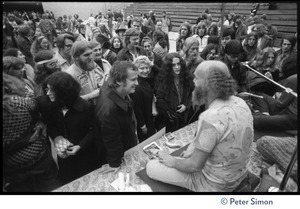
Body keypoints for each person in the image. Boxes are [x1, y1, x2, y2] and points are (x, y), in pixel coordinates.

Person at [146, 60, 254, 192]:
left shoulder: (210, 117)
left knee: (151, 167)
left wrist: (172, 161)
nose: (193, 82)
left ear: (208, 84)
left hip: (214, 185)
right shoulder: (241, 102)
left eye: (196, 78)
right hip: (239, 175)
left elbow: (194, 166)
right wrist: (192, 149)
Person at [36, 71, 98, 184]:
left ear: (64, 91)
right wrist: (57, 138)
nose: (48, 93)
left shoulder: (86, 107)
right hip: (65, 158)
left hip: (86, 156)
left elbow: (94, 131)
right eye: (47, 89)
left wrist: (79, 146)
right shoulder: (51, 105)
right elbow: (51, 125)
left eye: (51, 90)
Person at [3, 73, 61, 192]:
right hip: (36, 157)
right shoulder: (17, 102)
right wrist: (39, 122)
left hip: (11, 168)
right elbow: (37, 103)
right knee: (53, 187)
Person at [94, 61, 139, 172]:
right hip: (120, 155)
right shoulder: (108, 109)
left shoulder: (115, 88)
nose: (137, 83)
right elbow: (112, 139)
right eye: (133, 80)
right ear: (119, 81)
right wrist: (115, 163)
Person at [251, 55, 297, 131]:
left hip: (290, 116)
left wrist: (278, 96)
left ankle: (263, 116)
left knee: (255, 120)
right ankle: (265, 114)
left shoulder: (293, 79)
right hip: (288, 109)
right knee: (257, 94)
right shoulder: (293, 79)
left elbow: (280, 103)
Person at [155, 53, 194, 132]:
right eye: (173, 65)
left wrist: (186, 104)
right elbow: (160, 99)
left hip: (185, 116)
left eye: (179, 64)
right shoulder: (164, 80)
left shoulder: (187, 77)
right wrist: (170, 113)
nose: (177, 67)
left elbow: (193, 92)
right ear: (168, 67)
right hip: (170, 119)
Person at [130, 56, 157, 142]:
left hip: (150, 117)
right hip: (144, 122)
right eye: (142, 68)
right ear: (136, 70)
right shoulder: (136, 86)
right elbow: (137, 108)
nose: (145, 71)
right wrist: (142, 126)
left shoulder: (146, 80)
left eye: (147, 68)